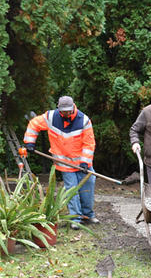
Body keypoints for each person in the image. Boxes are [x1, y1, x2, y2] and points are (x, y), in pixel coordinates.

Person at [24, 95, 97, 230]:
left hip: (82, 164)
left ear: (73, 107)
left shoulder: (84, 121)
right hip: (64, 163)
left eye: (68, 111)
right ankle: (75, 219)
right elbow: (34, 123)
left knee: (88, 186)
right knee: (71, 190)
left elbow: (89, 143)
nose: (66, 113)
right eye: (63, 111)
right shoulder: (51, 117)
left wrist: (85, 163)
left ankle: (88, 215)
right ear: (59, 109)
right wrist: (29, 142)